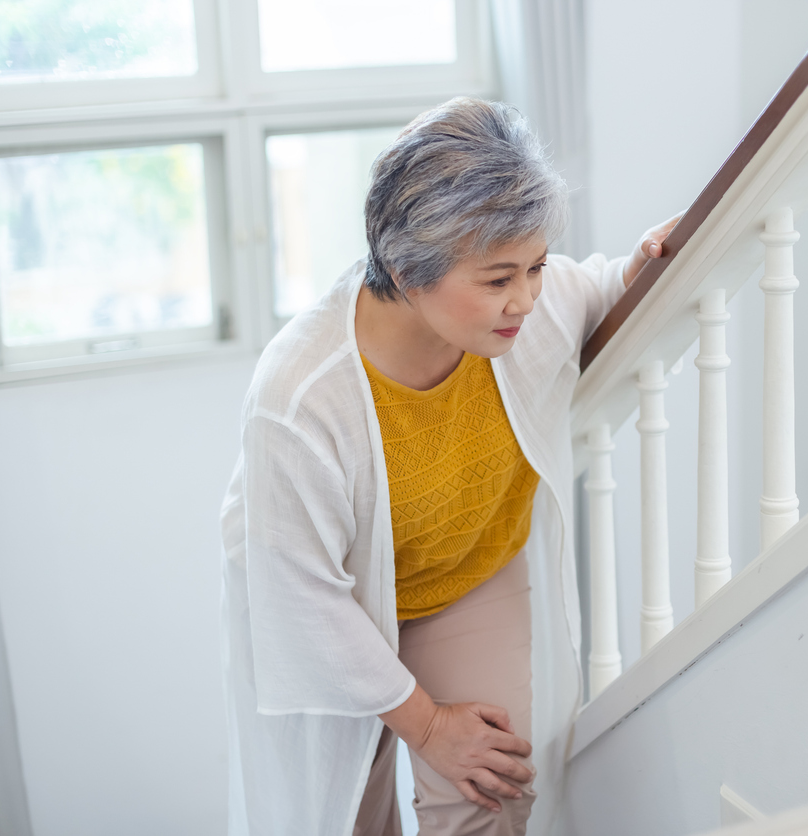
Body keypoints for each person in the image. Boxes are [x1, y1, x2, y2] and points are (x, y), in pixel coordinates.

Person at [220, 96, 680, 836]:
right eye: (499, 279)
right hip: (329, 610)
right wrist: (428, 725)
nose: (527, 298)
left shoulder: (532, 303)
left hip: (466, 569)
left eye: (534, 266)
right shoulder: (299, 398)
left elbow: (595, 287)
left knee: (494, 784)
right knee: (342, 820)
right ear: (406, 270)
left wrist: (641, 267)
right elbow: (305, 601)